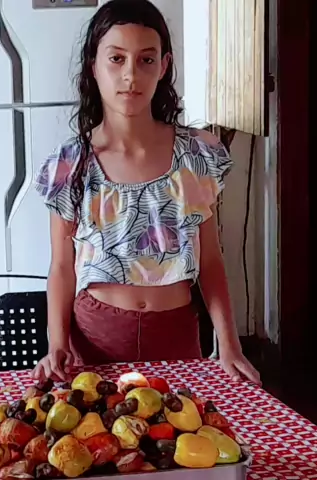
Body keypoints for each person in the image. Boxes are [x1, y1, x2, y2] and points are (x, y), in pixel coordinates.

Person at [31, 0, 261, 385]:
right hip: (95, 340)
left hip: (176, 335)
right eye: (116, 59)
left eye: (146, 60)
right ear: (93, 65)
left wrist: (229, 343)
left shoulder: (195, 156)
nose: (131, 75)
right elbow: (61, 267)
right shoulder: (71, 163)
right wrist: (56, 342)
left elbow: (210, 260)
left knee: (183, 423)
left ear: (164, 66)